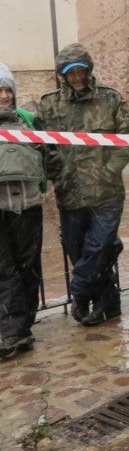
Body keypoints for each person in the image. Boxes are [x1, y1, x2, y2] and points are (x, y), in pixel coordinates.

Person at [38, 44, 129, 327]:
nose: (77, 76)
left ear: (89, 69)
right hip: (69, 193)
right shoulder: (49, 105)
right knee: (81, 250)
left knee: (98, 246)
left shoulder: (109, 99)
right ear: (62, 75)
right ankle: (108, 304)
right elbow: (43, 145)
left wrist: (110, 168)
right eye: (71, 72)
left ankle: (80, 294)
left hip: (106, 192)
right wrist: (55, 170)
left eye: (81, 70)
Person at [0, 64, 47, 360]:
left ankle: (22, 327)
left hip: (28, 205)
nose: (4, 96)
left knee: (28, 266)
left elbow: (47, 153)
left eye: (8, 90)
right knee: (4, 268)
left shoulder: (29, 121)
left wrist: (47, 184)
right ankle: (12, 330)